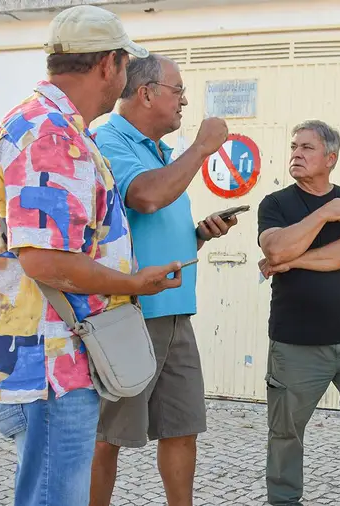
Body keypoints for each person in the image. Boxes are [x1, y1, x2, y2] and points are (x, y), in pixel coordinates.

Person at [0, 6, 183, 506]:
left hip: (51, 357)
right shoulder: (51, 135)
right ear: (109, 64)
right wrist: (135, 284)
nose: (127, 76)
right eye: (126, 65)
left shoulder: (53, 126)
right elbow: (46, 261)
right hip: (48, 364)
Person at [88, 54, 234, 506]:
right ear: (147, 92)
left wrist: (196, 238)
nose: (185, 101)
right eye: (178, 90)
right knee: (106, 434)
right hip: (128, 314)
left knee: (182, 428)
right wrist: (202, 148)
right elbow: (146, 197)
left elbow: (151, 224)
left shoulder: (161, 153)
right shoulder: (107, 138)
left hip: (174, 312)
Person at [256, 120, 340, 506]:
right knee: (286, 432)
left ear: (330, 158)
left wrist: (293, 262)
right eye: (294, 147)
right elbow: (276, 249)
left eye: (307, 148)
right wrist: (321, 216)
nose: (296, 154)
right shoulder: (276, 204)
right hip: (295, 345)